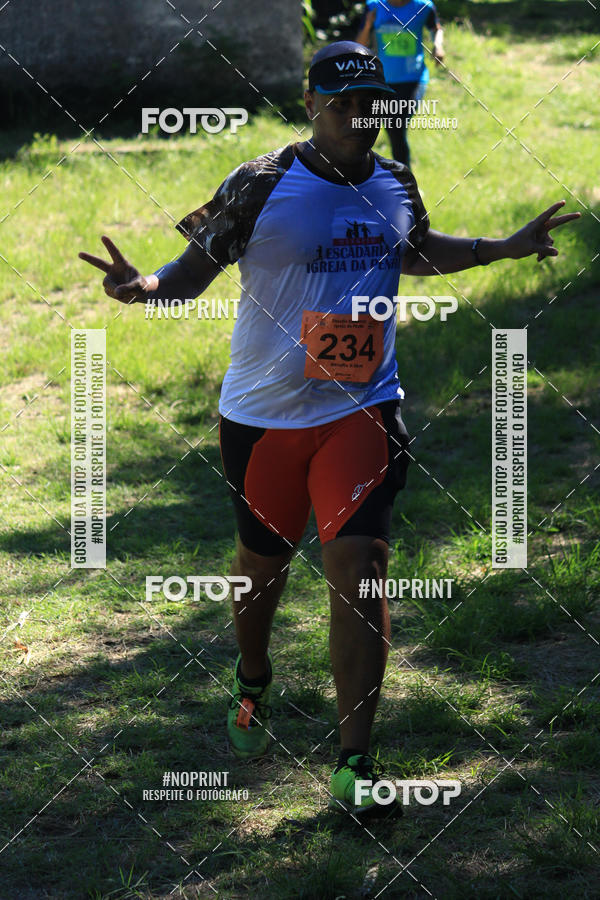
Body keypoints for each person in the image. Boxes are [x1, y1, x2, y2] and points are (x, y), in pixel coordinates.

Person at [80, 41, 579, 818]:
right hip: (263, 417)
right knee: (263, 567)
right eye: (342, 101)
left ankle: (354, 763)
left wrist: (498, 249)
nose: (359, 115)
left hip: (362, 408)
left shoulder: (395, 180)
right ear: (310, 103)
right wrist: (139, 285)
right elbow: (189, 272)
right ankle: (252, 677)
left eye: (371, 101)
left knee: (361, 567)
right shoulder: (257, 183)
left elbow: (412, 249)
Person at [356, 0, 444, 166]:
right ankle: (398, 180)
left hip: (413, 79)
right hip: (382, 81)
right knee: (387, 129)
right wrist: (368, 25)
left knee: (395, 125)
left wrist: (438, 46)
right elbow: (360, 44)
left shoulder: (423, 7)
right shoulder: (374, 7)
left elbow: (436, 28)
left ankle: (405, 182)